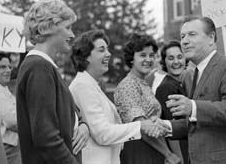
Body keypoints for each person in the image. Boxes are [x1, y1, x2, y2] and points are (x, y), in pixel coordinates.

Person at [163, 16, 226, 164]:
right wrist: (167, 127)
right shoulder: (197, 73)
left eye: (192, 34)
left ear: (211, 38)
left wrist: (192, 106)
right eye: (182, 36)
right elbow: (199, 122)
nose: (185, 41)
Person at [69, 30, 165, 164]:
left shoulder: (91, 85)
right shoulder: (82, 86)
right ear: (86, 56)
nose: (108, 54)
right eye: (101, 50)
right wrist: (140, 125)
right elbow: (103, 133)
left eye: (107, 50)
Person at [16, 0, 89, 164]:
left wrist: (83, 124)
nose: (72, 34)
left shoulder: (45, 66)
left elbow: (71, 111)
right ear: (47, 28)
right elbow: (46, 137)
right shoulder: (39, 67)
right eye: (68, 27)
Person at [114, 33, 181, 164]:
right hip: (139, 152)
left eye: (151, 55)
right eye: (143, 55)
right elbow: (143, 128)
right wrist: (168, 154)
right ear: (132, 58)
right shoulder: (128, 85)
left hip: (154, 151)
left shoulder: (143, 83)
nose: (149, 59)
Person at [155, 40, 188, 164]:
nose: (176, 62)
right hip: (182, 154)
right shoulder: (166, 88)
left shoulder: (179, 84)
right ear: (164, 62)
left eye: (180, 57)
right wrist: (179, 159)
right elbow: (170, 129)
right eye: (171, 58)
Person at [0, 52, 20, 164]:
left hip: (12, 145)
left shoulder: (3, 88)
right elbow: (12, 121)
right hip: (6, 147)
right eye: (2, 67)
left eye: (9, 67)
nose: (8, 70)